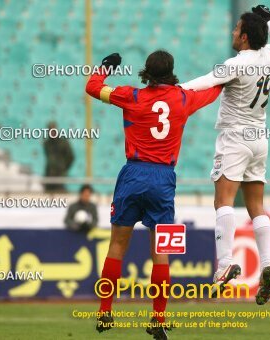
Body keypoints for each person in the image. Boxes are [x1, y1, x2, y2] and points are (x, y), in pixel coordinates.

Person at [86, 50, 222, 339]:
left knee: (116, 247)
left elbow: (93, 87)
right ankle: (158, 319)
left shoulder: (131, 96)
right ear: (172, 71)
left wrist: (106, 66)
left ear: (146, 71)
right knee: (161, 252)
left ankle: (105, 312)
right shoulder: (184, 99)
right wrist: (235, 72)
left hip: (132, 174)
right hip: (163, 180)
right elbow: (214, 89)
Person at [181, 5, 270, 305]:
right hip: (260, 138)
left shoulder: (236, 64)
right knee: (256, 206)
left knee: (223, 201)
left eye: (235, 29)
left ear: (243, 37)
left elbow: (202, 82)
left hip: (235, 137)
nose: (232, 32)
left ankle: (224, 264)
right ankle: (267, 263)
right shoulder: (269, 56)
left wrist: (172, 89)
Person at [43, 121, 74, 192]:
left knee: (60, 194)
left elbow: (71, 157)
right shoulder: (47, 144)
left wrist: (63, 167)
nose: (52, 132)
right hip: (49, 174)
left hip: (60, 173)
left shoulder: (63, 142)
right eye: (50, 130)